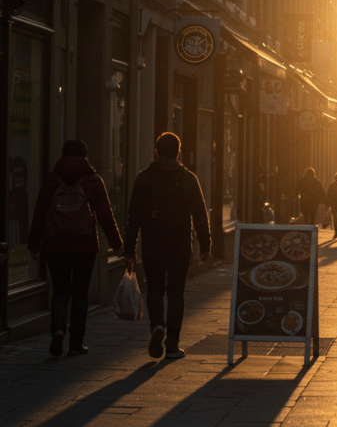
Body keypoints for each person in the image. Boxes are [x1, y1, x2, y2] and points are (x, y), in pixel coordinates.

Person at [27, 139, 124, 357]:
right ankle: (76, 343)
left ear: (63, 156)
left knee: (60, 290)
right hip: (85, 246)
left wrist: (34, 245)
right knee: (80, 294)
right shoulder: (94, 180)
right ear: (85, 156)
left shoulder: (52, 180)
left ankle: (58, 330)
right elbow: (105, 216)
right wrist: (117, 245)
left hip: (55, 245)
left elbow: (40, 213)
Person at [124, 132, 211, 359]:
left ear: (156, 152)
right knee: (175, 293)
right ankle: (172, 343)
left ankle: (157, 327)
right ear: (178, 153)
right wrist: (205, 244)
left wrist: (129, 248)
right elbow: (200, 213)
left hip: (152, 242)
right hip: (180, 243)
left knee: (154, 290)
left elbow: (134, 216)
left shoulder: (144, 178)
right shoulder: (188, 178)